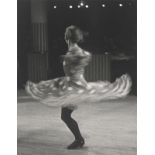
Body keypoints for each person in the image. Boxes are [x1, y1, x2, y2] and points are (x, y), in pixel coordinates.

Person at [25, 25, 132, 149]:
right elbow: (83, 58)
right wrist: (68, 59)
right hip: (72, 85)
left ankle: (79, 139)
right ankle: (79, 139)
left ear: (66, 37)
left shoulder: (74, 51)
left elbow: (85, 56)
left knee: (65, 116)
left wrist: (69, 59)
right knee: (65, 116)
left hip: (74, 87)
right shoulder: (72, 51)